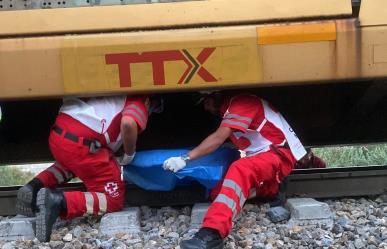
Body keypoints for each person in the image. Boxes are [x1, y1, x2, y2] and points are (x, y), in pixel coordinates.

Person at [163, 92, 308, 249]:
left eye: (206, 101)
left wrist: (184, 158)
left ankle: (212, 234)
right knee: (218, 192)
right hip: (264, 155)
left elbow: (217, 139)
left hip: (277, 154)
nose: (205, 107)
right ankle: (271, 188)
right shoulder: (230, 109)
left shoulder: (242, 103)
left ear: (216, 95)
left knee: (240, 169)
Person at [16, 95, 163, 242]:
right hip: (84, 145)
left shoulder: (114, 94)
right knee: (113, 200)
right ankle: (58, 201)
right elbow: (128, 123)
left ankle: (33, 187)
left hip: (59, 136)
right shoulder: (139, 99)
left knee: (72, 165)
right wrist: (129, 153)